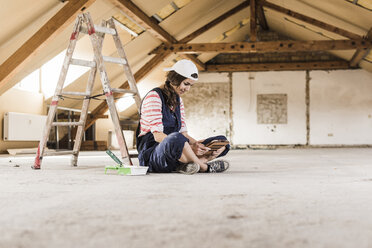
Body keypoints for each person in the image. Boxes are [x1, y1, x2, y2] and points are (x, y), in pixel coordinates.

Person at [136, 59, 230, 174]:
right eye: (186, 84)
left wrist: (198, 145)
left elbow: (184, 134)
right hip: (154, 155)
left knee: (222, 141)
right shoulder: (154, 97)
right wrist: (189, 147)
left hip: (177, 149)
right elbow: (158, 136)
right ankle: (205, 167)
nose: (188, 89)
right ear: (174, 79)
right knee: (176, 138)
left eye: (190, 85)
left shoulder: (178, 100)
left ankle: (188, 164)